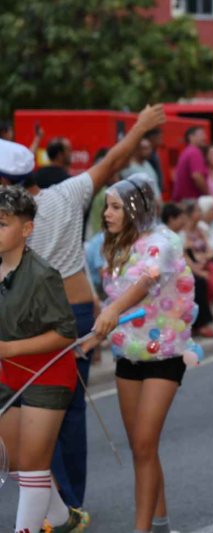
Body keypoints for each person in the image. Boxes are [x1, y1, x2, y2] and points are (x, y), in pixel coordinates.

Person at [0, 105, 167, 516]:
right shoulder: (65, 195)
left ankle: (52, 511)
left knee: (29, 411)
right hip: (76, 314)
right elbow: (111, 162)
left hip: (28, 324)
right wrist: (140, 126)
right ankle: (68, 503)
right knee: (68, 411)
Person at [91, 174, 201, 533]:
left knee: (142, 443)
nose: (107, 213)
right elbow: (100, 287)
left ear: (136, 208)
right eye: (107, 206)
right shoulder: (114, 244)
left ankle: (143, 530)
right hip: (128, 355)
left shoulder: (163, 242)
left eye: (116, 207)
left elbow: (144, 282)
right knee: (143, 449)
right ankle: (163, 523)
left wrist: (110, 312)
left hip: (165, 354)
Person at [0, 184, 89, 532]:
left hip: (48, 375)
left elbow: (66, 332)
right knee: (16, 462)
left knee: (34, 467)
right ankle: (64, 518)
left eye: (3, 223)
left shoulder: (42, 274)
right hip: (9, 374)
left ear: (27, 229)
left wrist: (9, 349)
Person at [162, 202, 213, 339]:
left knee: (200, 280)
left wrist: (196, 269)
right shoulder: (164, 235)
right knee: (197, 282)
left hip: (177, 271)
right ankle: (200, 324)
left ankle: (199, 322)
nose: (183, 221)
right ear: (171, 219)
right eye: (180, 218)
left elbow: (184, 257)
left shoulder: (176, 234)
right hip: (167, 274)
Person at [172, 126, 208, 202]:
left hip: (182, 200)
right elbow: (197, 176)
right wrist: (207, 194)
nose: (205, 138)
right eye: (201, 135)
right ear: (191, 137)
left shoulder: (186, 152)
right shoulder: (194, 152)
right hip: (190, 201)